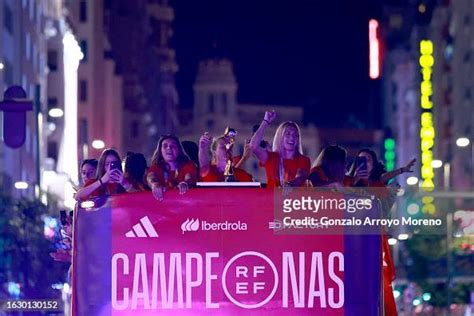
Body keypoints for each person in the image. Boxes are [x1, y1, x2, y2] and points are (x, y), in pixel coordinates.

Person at [249, 110, 310, 188]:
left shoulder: (304, 160)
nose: (292, 138)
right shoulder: (271, 157)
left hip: (293, 200)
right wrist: (265, 122)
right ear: (280, 137)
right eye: (287, 134)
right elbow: (253, 146)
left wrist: (289, 185)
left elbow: (301, 177)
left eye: (296, 135)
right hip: (270, 199)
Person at [147, 135, 197, 201]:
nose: (169, 148)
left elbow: (190, 177)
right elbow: (151, 177)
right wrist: (155, 184)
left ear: (179, 150)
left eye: (173, 146)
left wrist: (185, 183)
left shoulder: (188, 165)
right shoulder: (156, 167)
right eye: (165, 146)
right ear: (160, 151)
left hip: (185, 203)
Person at [346, 148, 416, 186]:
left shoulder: (376, 181)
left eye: (368, 159)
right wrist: (355, 179)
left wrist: (403, 169)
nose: (365, 163)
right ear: (356, 162)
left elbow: (385, 177)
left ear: (373, 165)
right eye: (362, 159)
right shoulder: (347, 179)